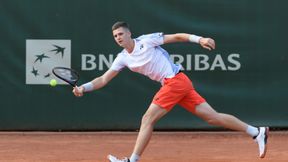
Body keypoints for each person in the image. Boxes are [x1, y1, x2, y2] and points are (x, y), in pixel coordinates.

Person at [73, 21, 269, 162]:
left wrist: (199, 39)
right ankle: (256, 131)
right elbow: (103, 79)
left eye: (121, 34)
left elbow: (177, 37)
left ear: (129, 33)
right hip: (176, 83)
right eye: (115, 36)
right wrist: (84, 87)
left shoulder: (147, 41)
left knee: (147, 119)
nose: (118, 38)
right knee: (212, 117)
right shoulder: (122, 58)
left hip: (174, 81)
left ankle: (132, 161)